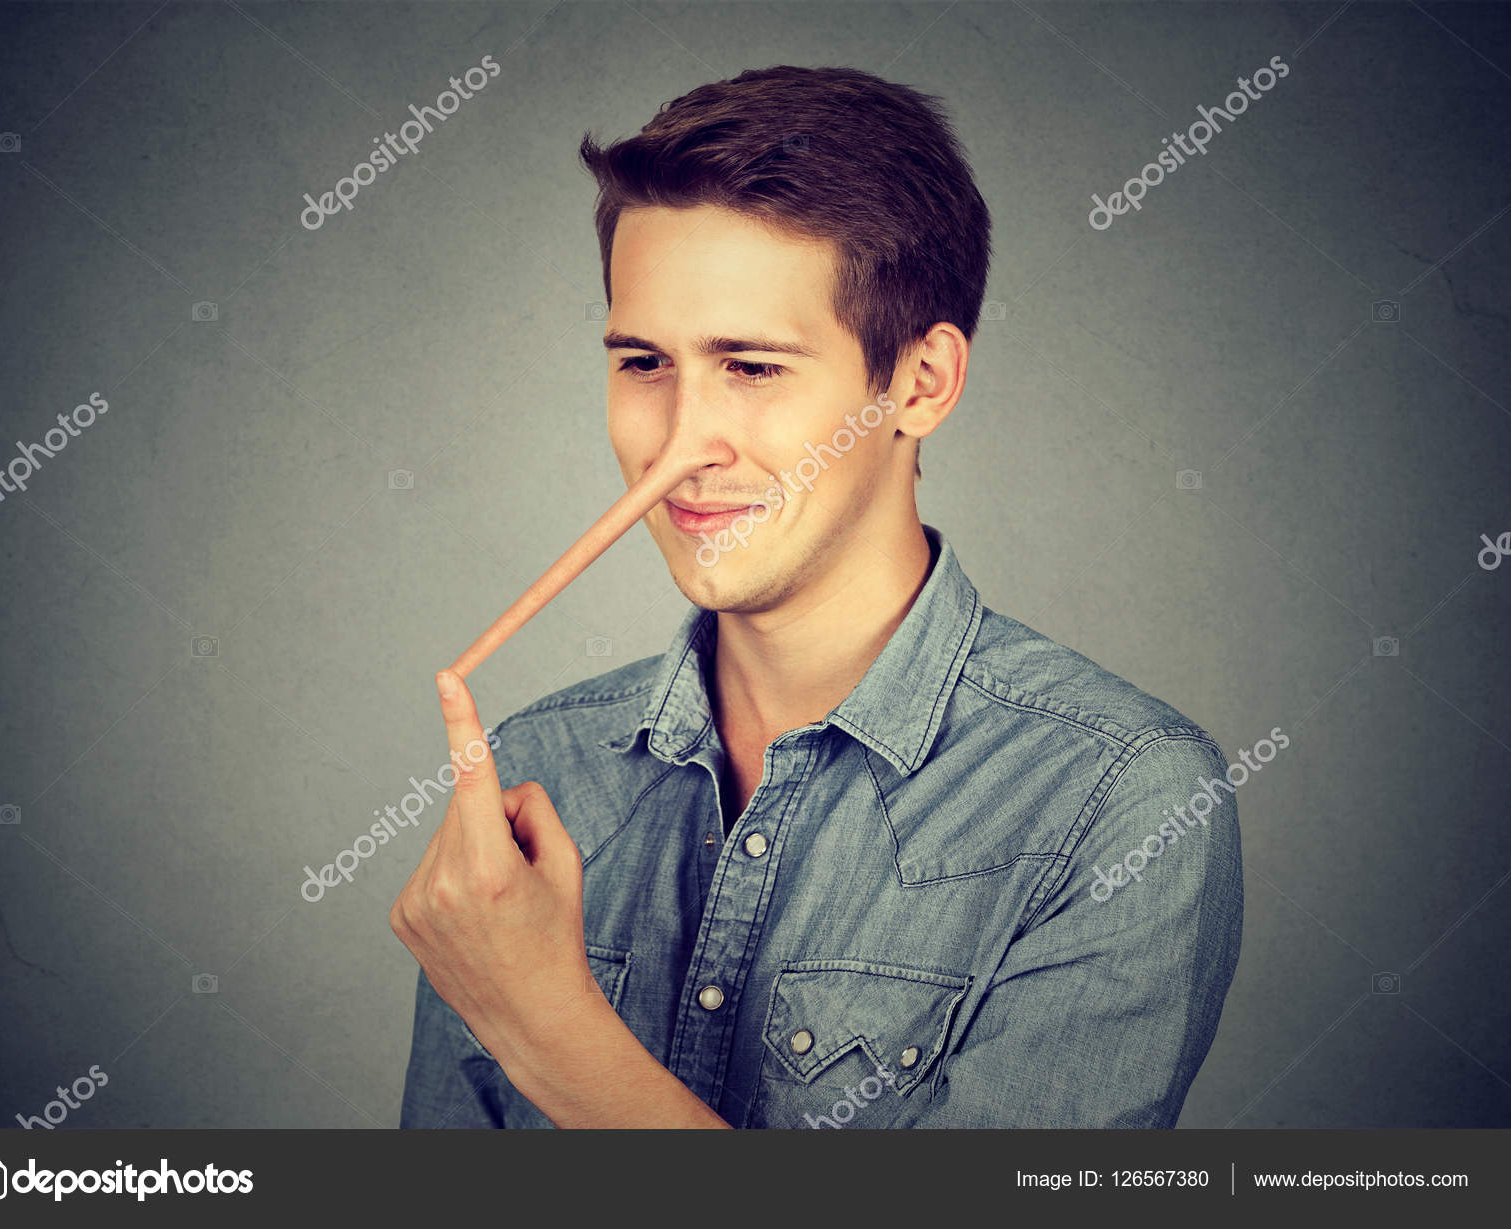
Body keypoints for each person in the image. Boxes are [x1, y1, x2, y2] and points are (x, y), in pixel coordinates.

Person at [394, 64, 1243, 1128]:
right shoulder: (536, 769)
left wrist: (546, 1027)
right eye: (644, 362)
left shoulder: (1121, 802)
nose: (678, 448)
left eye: (751, 367)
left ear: (921, 383)